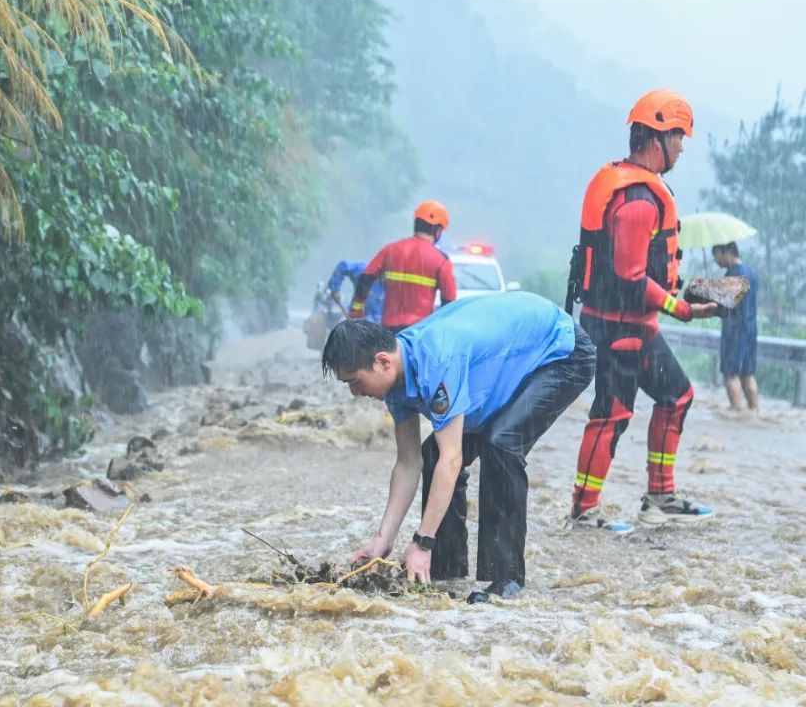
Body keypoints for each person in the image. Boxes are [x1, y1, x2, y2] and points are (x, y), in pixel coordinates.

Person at [322, 292, 596, 596]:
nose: (354, 393)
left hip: (562, 353)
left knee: (501, 444)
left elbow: (452, 461)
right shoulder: (397, 381)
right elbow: (408, 462)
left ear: (382, 361)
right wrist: (383, 538)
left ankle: (507, 581)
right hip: (506, 364)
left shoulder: (436, 362)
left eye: (354, 381)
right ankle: (445, 568)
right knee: (431, 452)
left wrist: (421, 540)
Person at [566, 89, 719, 533]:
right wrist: (681, 307)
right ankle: (583, 510)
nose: (682, 147)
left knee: (678, 397)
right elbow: (630, 276)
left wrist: (681, 295)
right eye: (679, 137)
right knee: (611, 414)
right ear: (658, 137)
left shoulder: (640, 188)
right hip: (616, 328)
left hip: (635, 323)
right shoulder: (636, 200)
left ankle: (660, 497)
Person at [350, 201, 456, 331]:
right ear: (438, 229)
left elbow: (366, 278)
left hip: (389, 330)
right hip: (419, 332)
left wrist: (357, 309)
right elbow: (449, 302)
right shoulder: (441, 260)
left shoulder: (390, 250)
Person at [712, 242, 760, 410]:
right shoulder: (751, 274)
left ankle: (736, 413)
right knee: (747, 374)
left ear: (728, 252)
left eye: (716, 254)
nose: (715, 260)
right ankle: (754, 411)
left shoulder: (731, 276)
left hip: (734, 331)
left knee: (730, 374)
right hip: (750, 329)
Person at [327, 259, 385, 324]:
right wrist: (335, 289)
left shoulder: (390, 291)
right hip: (352, 317)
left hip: (368, 326)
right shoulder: (363, 270)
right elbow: (343, 266)